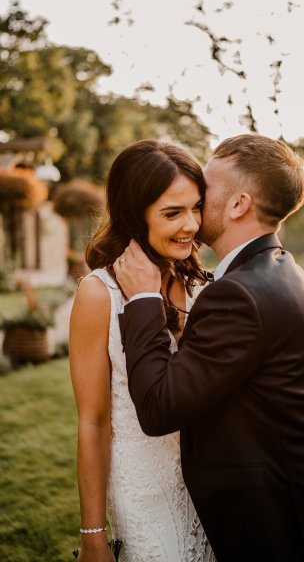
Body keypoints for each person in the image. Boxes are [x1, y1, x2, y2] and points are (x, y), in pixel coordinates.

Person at [114, 134, 304, 562]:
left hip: (283, 526)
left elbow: (159, 407)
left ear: (238, 204)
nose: (195, 193)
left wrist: (143, 299)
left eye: (205, 187)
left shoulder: (240, 295)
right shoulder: (289, 274)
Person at [69, 140, 215, 561]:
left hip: (212, 486)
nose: (191, 225)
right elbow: (93, 423)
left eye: (197, 207)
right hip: (145, 490)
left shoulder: (202, 285)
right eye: (173, 213)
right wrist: (93, 537)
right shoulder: (100, 295)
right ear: (135, 214)